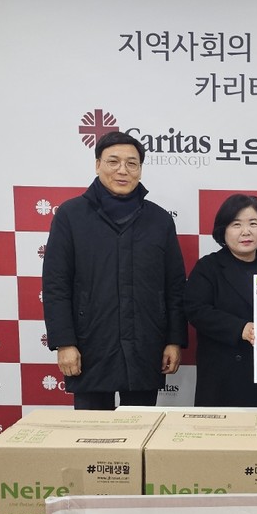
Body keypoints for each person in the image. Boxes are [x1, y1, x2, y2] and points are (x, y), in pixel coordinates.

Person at [42, 130, 187, 410]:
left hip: (146, 343)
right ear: (98, 165)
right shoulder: (71, 216)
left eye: (132, 163)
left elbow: (174, 286)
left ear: (140, 170)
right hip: (89, 344)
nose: (123, 170)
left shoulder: (159, 220)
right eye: (113, 161)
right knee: (92, 431)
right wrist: (64, 343)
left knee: (140, 428)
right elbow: (56, 285)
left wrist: (173, 340)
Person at [184, 194, 257, 407]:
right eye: (236, 224)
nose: (246, 232)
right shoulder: (208, 267)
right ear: (223, 230)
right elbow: (196, 310)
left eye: (253, 223)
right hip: (222, 376)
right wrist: (240, 328)